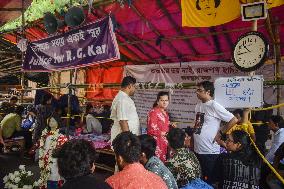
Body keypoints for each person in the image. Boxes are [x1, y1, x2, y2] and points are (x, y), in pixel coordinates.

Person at [193, 81, 238, 184]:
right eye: (196, 90)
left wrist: (220, 133)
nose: (197, 92)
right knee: (200, 179)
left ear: (208, 92)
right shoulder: (199, 105)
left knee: (210, 181)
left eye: (200, 90)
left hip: (209, 151)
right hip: (198, 148)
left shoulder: (214, 105)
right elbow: (198, 124)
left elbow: (234, 119)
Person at [38, 116, 68, 189]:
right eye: (50, 121)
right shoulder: (45, 134)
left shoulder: (61, 137)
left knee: (54, 178)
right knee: (45, 177)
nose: (51, 123)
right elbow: (41, 146)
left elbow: (64, 151)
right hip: (45, 160)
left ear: (58, 123)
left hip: (54, 161)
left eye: (53, 121)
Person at [110, 76, 140, 142]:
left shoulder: (125, 98)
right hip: (125, 141)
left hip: (127, 138)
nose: (135, 89)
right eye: (134, 87)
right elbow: (123, 121)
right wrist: (128, 140)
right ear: (130, 86)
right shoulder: (122, 99)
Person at [147, 91, 171, 162]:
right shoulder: (153, 112)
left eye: (166, 100)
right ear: (157, 101)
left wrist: (170, 124)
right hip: (157, 143)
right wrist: (164, 133)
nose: (164, 102)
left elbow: (161, 124)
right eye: (162, 100)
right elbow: (151, 130)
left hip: (164, 142)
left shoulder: (165, 112)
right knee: (157, 164)